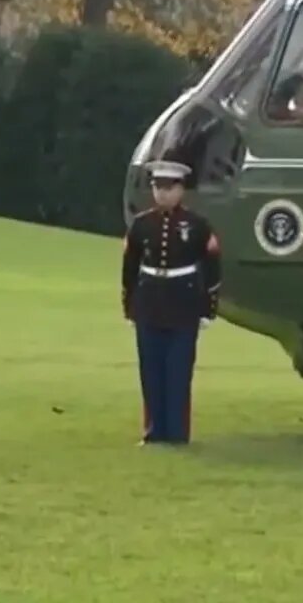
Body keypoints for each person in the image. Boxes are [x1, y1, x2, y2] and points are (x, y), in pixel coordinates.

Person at [121, 160, 221, 447]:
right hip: (150, 301)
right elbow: (130, 267)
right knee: (150, 370)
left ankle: (177, 433)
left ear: (181, 190)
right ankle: (154, 431)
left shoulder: (197, 225)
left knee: (178, 372)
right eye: (157, 187)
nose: (162, 194)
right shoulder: (142, 225)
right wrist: (130, 304)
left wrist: (208, 307)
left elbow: (212, 265)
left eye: (169, 188)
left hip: (183, 303)